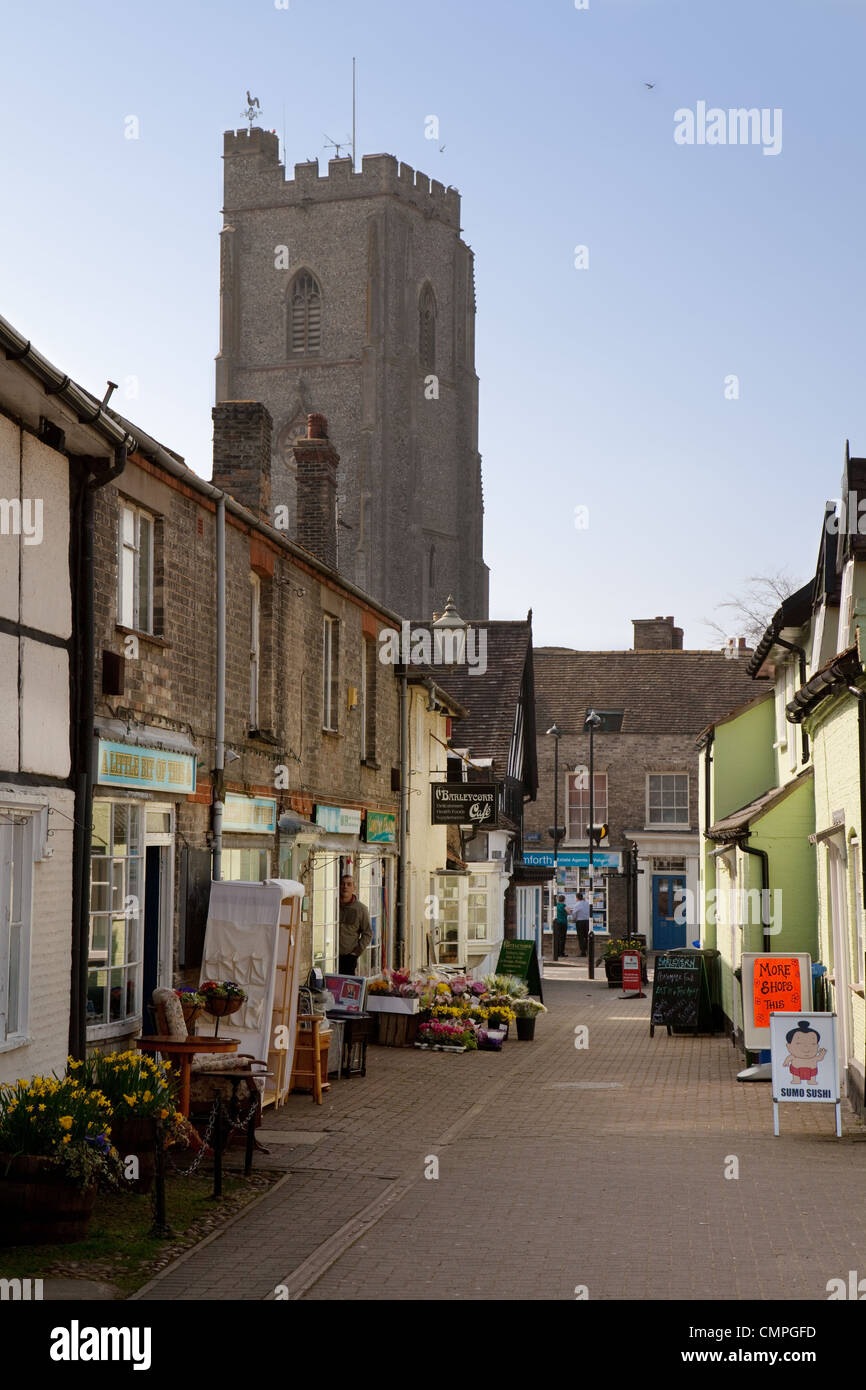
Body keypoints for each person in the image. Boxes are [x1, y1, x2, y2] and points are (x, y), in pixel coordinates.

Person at [338, 872, 372, 975]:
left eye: (349, 884)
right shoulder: (332, 904)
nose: (345, 887)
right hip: (330, 957)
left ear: (354, 888)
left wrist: (356, 952)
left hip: (348, 957)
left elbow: (367, 933)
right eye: (343, 884)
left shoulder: (361, 909)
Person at [572, 892, 591, 957]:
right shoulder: (587, 903)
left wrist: (574, 919)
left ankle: (583, 952)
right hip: (587, 921)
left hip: (580, 922)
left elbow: (574, 914)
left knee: (581, 937)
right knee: (586, 936)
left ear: (577, 898)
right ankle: (588, 950)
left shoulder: (577, 905)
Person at [553, 894, 569, 960]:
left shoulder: (556, 905)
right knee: (562, 938)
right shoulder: (564, 905)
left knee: (557, 937)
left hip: (557, 923)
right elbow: (569, 912)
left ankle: (556, 952)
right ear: (564, 900)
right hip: (563, 923)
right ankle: (561, 953)